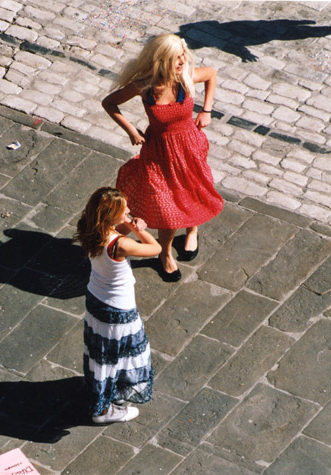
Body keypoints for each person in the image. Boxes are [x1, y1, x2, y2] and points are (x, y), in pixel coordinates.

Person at [102, 33, 223, 283]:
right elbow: (110, 103)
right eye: (175, 58)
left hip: (189, 146)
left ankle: (192, 230)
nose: (181, 62)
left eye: (182, 56)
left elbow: (211, 73)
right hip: (159, 153)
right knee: (166, 208)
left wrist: (206, 110)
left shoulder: (185, 78)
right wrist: (131, 130)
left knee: (193, 191)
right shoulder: (145, 87)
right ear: (160, 60)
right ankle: (165, 254)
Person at [74, 187, 161, 424]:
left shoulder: (89, 227)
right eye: (124, 211)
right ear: (111, 216)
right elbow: (156, 249)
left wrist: (125, 224)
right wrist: (138, 230)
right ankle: (102, 411)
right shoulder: (121, 244)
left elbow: (113, 231)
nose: (129, 212)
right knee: (116, 355)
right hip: (118, 309)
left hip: (96, 298)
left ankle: (106, 393)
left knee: (102, 351)